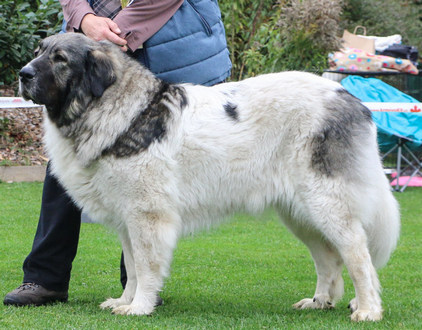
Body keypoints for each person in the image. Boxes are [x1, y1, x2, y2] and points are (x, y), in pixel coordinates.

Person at [4, 0, 231, 306]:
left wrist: (114, 29)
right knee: (65, 165)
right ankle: (45, 278)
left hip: (167, 39)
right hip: (85, 39)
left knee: (143, 181)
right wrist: (85, 19)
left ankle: (139, 288)